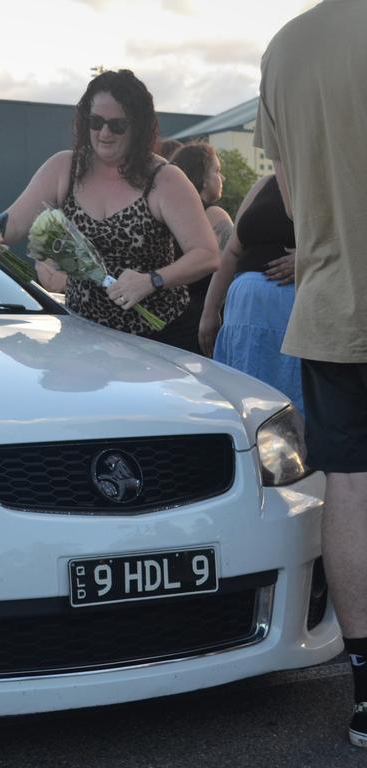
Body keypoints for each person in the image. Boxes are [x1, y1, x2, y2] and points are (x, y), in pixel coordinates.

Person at [256, 0, 367, 748]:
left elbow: (292, 197)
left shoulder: (288, 46)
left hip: (332, 305)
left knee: (352, 485)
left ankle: (365, 690)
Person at [0, 69, 218, 348]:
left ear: (138, 127)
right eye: (96, 122)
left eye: (118, 125)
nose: (105, 133)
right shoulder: (64, 168)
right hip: (84, 335)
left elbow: (207, 254)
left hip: (159, 338)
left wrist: (151, 281)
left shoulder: (164, 179)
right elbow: (12, 225)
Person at [198, 173, 300, 409]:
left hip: (290, 316)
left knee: (287, 412)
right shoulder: (267, 182)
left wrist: (311, 259)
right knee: (246, 408)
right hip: (243, 316)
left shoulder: (335, 175)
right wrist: (210, 310)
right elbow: (232, 251)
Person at [167, 142, 233, 354]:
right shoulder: (214, 215)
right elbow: (229, 267)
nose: (222, 178)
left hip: (166, 317)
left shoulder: (166, 214)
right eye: (217, 171)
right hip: (200, 320)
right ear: (202, 178)